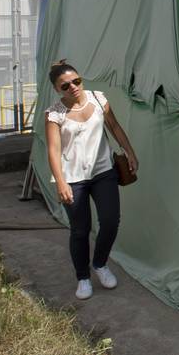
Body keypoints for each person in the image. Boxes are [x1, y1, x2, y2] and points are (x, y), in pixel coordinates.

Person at [44, 60, 138, 300]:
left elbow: (115, 127)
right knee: (80, 230)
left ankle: (100, 264)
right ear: (57, 89)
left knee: (110, 221)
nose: (73, 87)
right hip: (73, 179)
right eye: (65, 86)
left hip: (103, 172)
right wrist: (61, 182)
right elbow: (53, 151)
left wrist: (129, 151)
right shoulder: (55, 114)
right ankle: (83, 277)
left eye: (76, 81)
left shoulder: (98, 100)